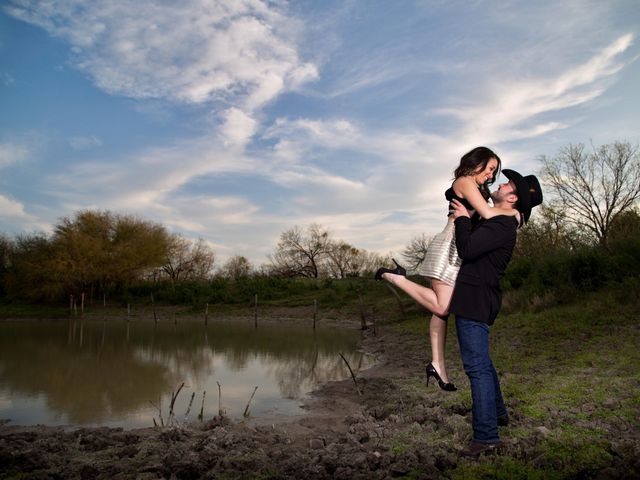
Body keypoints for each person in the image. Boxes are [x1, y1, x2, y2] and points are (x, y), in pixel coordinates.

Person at [375, 147, 519, 391]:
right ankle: (395, 277)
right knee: (443, 305)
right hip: (449, 246)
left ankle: (438, 364)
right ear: (477, 162)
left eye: (494, 171)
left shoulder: (476, 188)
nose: (492, 175)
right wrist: (515, 213)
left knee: (441, 310)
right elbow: (485, 213)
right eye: (490, 168)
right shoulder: (465, 182)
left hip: (458, 246)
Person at [449, 168, 543, 456]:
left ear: (512, 197)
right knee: (483, 363)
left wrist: (463, 219)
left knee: (476, 368)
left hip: (475, 299)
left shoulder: (502, 224)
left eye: (507, 184)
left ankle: (487, 437)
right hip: (479, 297)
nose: (500, 183)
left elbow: (466, 249)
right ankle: (499, 413)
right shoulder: (501, 220)